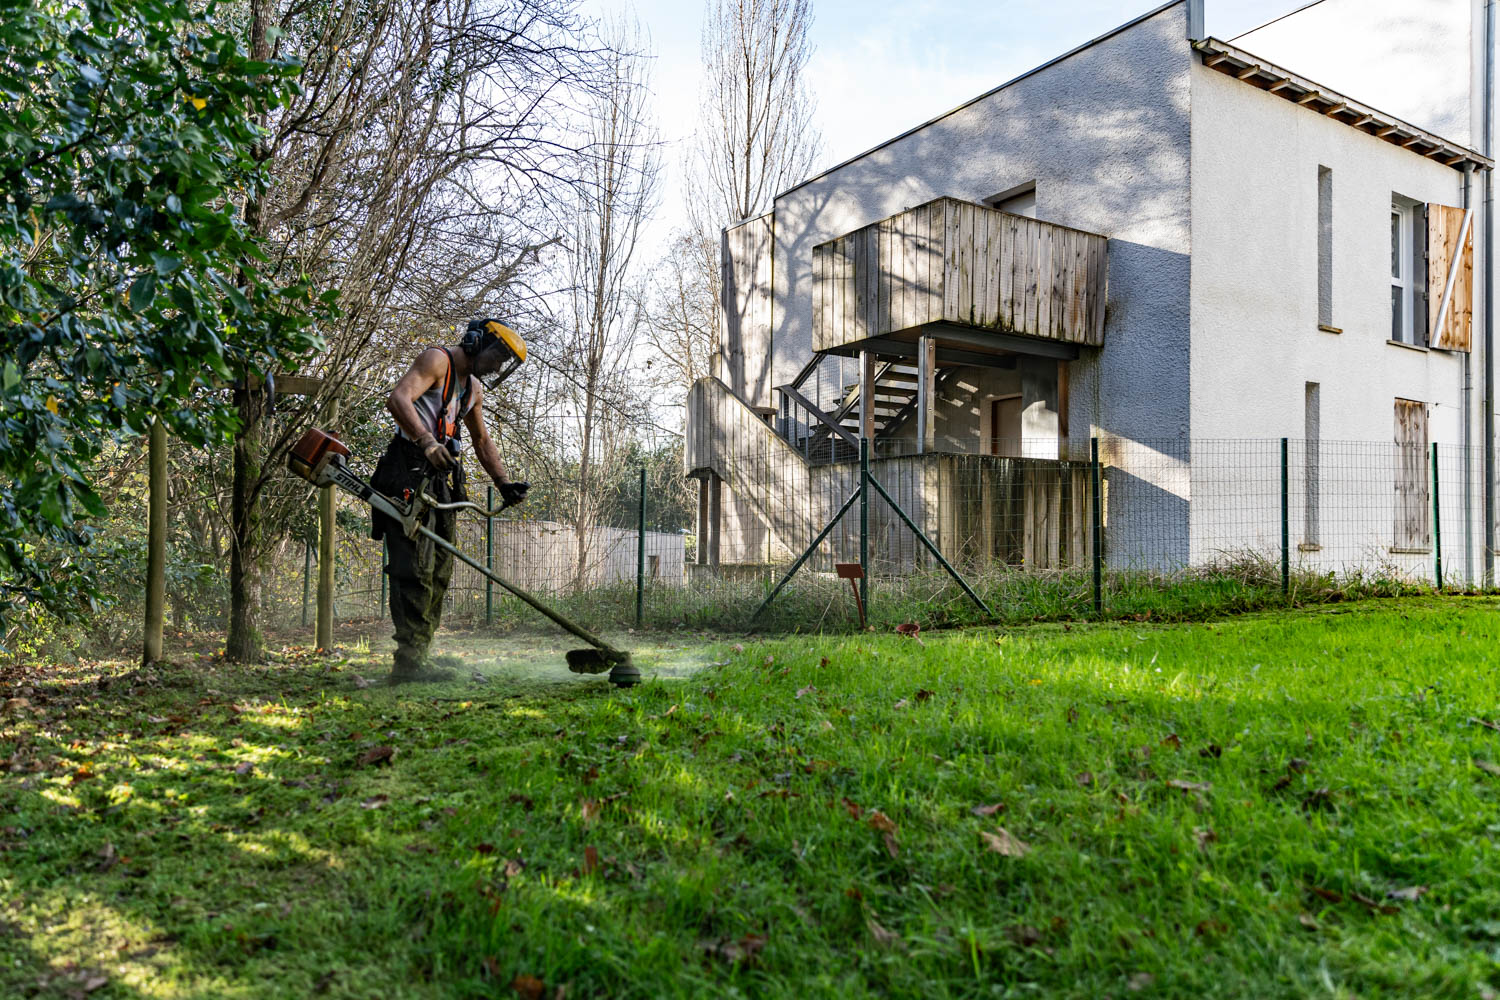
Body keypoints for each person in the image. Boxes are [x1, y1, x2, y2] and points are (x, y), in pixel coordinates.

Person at [370, 318, 529, 683]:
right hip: (407, 469)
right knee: (414, 568)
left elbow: (481, 440)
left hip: (442, 480)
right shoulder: (436, 361)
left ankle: (418, 656)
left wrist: (503, 483)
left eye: (504, 361)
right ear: (476, 342)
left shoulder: (472, 387)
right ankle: (408, 663)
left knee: (440, 568)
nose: (497, 366)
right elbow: (398, 398)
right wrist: (427, 442)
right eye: (498, 355)